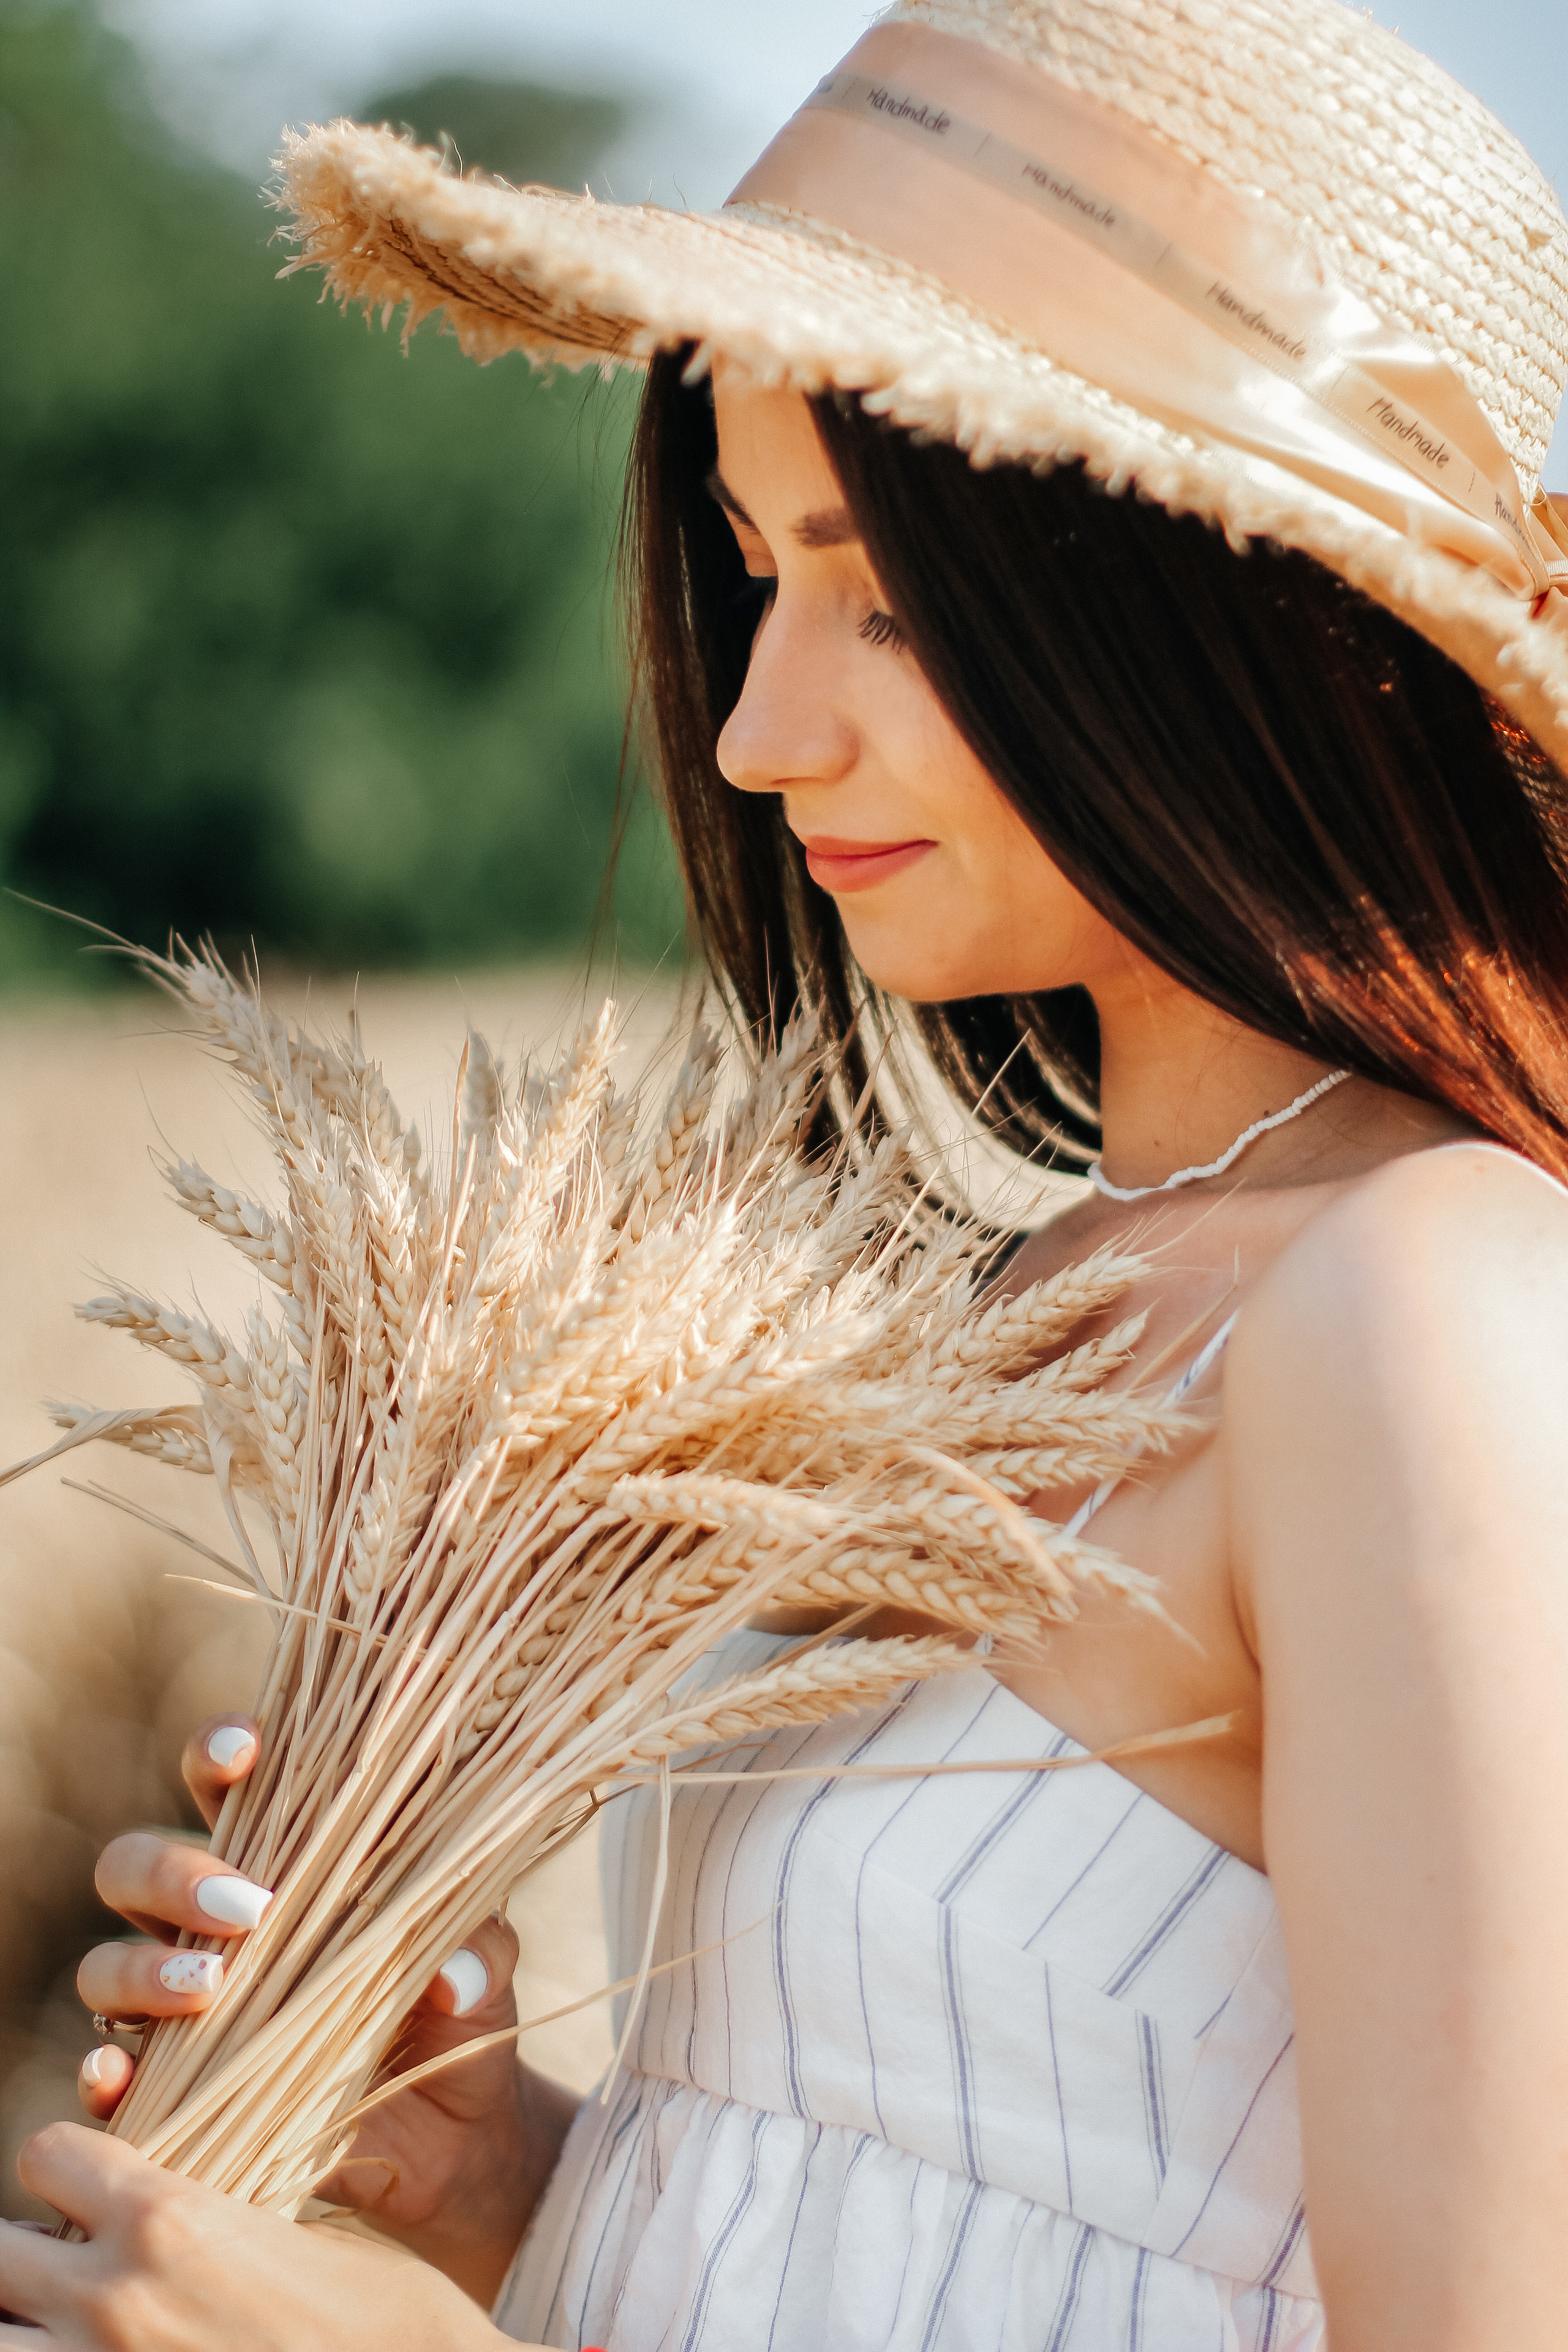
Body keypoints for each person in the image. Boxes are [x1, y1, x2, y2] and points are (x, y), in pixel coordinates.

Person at [7, 0, 1568, 2345]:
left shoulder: (1418, 1301)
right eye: (754, 571)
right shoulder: (1034, 1307)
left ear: (1235, 623)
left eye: (892, 599)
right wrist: (507, 2178)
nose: (754, 727)